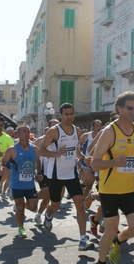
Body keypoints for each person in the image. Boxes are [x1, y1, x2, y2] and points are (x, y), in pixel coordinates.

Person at [91, 91, 134, 264]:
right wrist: (114, 162)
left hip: (129, 188)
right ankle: (100, 262)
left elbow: (132, 156)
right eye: (129, 108)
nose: (133, 111)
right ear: (119, 108)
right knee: (111, 229)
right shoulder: (109, 132)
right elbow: (94, 163)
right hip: (109, 189)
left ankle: (118, 242)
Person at [38, 102, 94, 252]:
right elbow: (41, 151)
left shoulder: (77, 131)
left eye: (71, 114)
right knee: (55, 206)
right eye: (66, 114)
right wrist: (56, 154)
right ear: (61, 115)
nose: (70, 117)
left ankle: (83, 240)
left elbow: (74, 148)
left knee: (80, 205)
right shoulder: (54, 131)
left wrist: (83, 158)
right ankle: (48, 215)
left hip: (71, 174)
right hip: (55, 175)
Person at [0, 125, 40, 238]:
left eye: (28, 131)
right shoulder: (12, 149)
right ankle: (21, 228)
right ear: (18, 134)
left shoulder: (35, 148)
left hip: (30, 184)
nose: (27, 134)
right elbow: (2, 162)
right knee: (20, 206)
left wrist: (39, 173)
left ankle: (19, 208)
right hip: (16, 184)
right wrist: (1, 168)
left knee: (33, 207)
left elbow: (38, 162)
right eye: (24, 131)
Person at [78, 119, 102, 208]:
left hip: (96, 163)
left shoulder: (103, 136)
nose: (99, 128)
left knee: (90, 185)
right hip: (86, 161)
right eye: (97, 126)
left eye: (100, 126)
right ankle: (82, 185)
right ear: (93, 127)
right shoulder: (87, 136)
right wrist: (82, 156)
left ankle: (83, 202)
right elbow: (78, 145)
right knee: (90, 179)